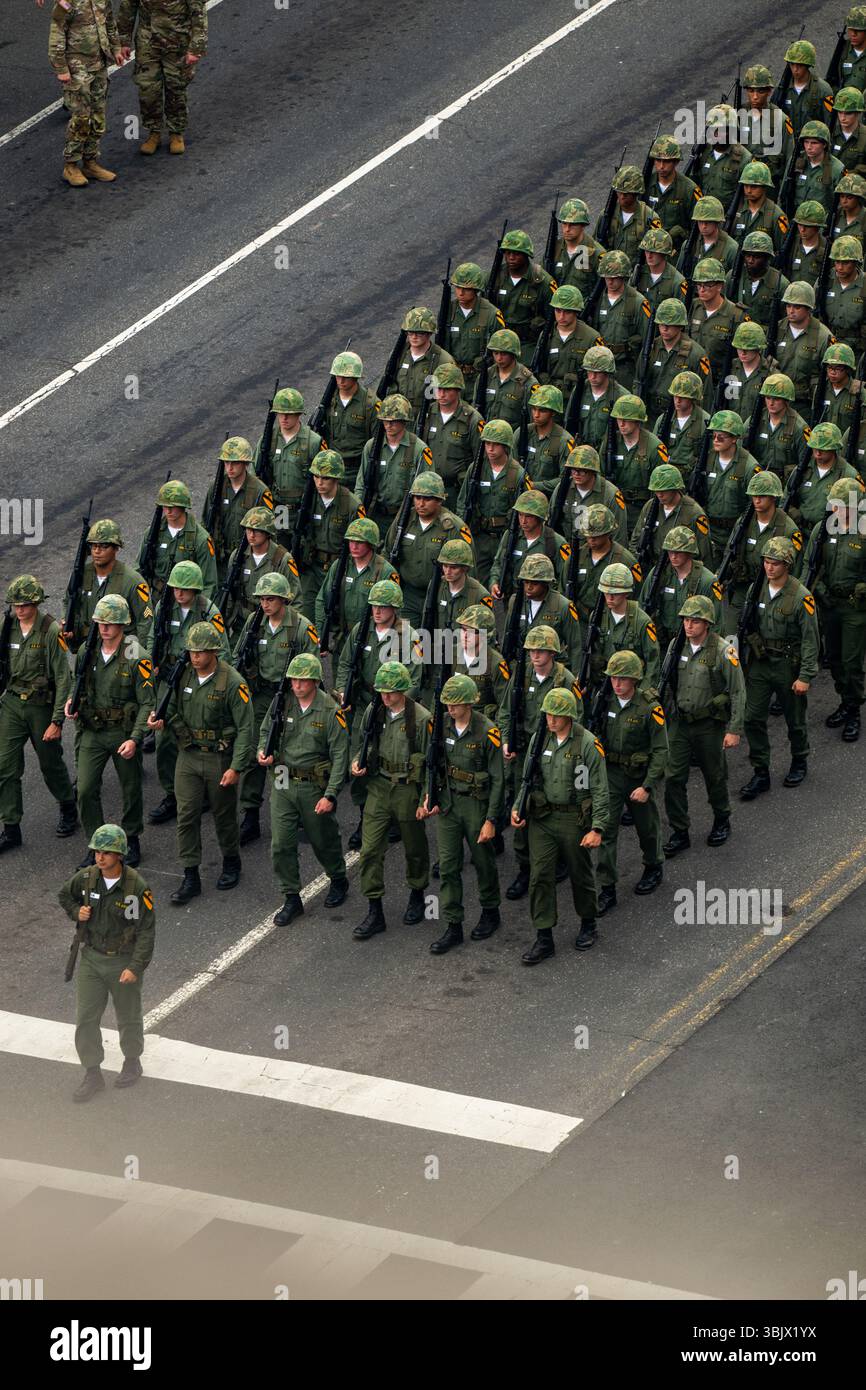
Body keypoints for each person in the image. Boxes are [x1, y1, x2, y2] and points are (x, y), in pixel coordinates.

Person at [148, 622, 254, 903]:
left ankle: (231, 860)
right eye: (192, 651)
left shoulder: (233, 682)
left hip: (219, 758)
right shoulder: (183, 675)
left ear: (214, 652)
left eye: (201, 652)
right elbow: (169, 708)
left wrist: (236, 767)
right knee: (186, 815)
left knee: (224, 816)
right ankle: (190, 874)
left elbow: (246, 728)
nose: (195, 657)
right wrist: (162, 721)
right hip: (189, 755)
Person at [510, 686, 608, 966]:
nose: (551, 720)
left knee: (580, 873)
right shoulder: (539, 739)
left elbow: (600, 788)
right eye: (548, 714)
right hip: (543, 818)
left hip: (573, 818)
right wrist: (518, 807)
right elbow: (527, 779)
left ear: (569, 716)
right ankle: (544, 937)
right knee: (540, 875)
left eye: (557, 715)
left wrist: (597, 828)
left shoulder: (587, 744)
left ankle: (588, 923)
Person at [58, 824, 155, 1102]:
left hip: (122, 960)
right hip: (91, 958)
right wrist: (77, 911)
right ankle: (92, 1073)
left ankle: (132, 1061)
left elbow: (146, 931)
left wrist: (135, 967)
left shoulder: (135, 888)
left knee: (128, 1015)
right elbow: (64, 895)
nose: (100, 857)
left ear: (120, 855)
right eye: (97, 851)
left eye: (107, 852)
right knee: (86, 1019)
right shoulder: (87, 878)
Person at [256, 653, 349, 927]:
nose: (296, 685)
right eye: (293, 680)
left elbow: (340, 755)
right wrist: (262, 751)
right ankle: (291, 896)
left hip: (313, 784)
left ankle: (338, 877)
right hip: (282, 779)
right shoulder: (282, 703)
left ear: (316, 681)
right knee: (281, 843)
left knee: (323, 838)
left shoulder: (330, 710)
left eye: (303, 680)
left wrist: (330, 794)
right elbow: (265, 731)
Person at [66, 595, 154, 869]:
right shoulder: (87, 650)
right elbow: (77, 682)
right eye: (100, 622)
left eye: (110, 623)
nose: (104, 628)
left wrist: (135, 738)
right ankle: (98, 843)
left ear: (122, 625)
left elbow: (147, 703)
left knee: (130, 787)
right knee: (85, 789)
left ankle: (131, 838)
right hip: (93, 731)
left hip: (122, 732)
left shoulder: (136, 654)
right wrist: (71, 702)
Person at [419, 673, 504, 955]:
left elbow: (498, 779)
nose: (450, 709)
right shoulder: (440, 726)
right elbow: (432, 765)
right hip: (449, 804)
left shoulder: (487, 731)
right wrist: (429, 795)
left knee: (483, 862)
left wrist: (492, 820)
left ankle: (490, 910)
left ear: (469, 703)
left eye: (455, 704)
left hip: (476, 805)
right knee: (448, 866)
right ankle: (453, 924)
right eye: (447, 704)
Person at [233, 572, 319, 846]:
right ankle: (250, 813)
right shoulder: (254, 622)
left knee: (292, 754)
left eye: (270, 599)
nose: (265, 604)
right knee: (256, 752)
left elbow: (312, 669)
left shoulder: (301, 628)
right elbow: (237, 656)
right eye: (262, 599)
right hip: (261, 696)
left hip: (292, 696)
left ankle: (298, 813)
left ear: (283, 599)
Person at [145, 559, 229, 827]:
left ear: (195, 589)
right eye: (175, 587)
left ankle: (204, 791)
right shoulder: (164, 606)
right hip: (169, 678)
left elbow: (222, 650)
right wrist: (152, 661)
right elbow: (153, 636)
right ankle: (172, 794)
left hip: (198, 677)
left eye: (184, 588)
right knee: (164, 737)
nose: (179, 593)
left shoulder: (208, 612)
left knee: (199, 735)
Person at [351, 662, 431, 940]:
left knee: (414, 847)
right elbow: (363, 743)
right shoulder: (374, 711)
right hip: (379, 785)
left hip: (408, 789)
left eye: (391, 691)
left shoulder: (421, 719)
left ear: (403, 690)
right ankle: (375, 910)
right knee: (369, 850)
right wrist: (357, 762)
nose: (385, 696)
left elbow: (432, 763)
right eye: (382, 691)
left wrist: (426, 798)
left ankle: (417, 893)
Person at [662, 595, 745, 856]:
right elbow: (665, 682)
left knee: (714, 775)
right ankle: (680, 830)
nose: (689, 625)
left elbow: (738, 691)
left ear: (707, 623)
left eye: (695, 621)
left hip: (708, 725)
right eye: (686, 620)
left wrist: (734, 730)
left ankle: (722, 818)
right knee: (673, 777)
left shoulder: (723, 650)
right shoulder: (676, 646)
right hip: (680, 723)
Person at [0, 575, 77, 852]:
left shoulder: (50, 630)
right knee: (5, 767)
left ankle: (68, 806)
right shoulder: (7, 627)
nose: (19, 610)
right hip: (12, 702)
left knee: (50, 762)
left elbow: (63, 678)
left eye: (25, 605)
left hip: (40, 706)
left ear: (36, 604)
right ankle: (11, 828)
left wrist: (57, 721)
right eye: (15, 605)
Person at [739, 537, 820, 800]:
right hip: (761, 663)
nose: (769, 567)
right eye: (766, 561)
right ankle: (761, 771)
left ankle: (799, 759)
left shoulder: (801, 597)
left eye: (775, 563)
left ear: (787, 564)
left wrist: (805, 676)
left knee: (794, 719)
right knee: (752, 718)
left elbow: (810, 640)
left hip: (788, 664)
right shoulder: (756, 590)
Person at [595, 650, 667, 915]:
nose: (617, 683)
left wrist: (647, 786)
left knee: (646, 827)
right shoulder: (604, 702)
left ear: (635, 679)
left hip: (638, 775)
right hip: (612, 774)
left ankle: (653, 865)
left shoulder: (649, 707)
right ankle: (607, 887)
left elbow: (661, 750)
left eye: (623, 678)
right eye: (613, 678)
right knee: (605, 830)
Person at [803, 477, 866, 742]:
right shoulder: (823, 530)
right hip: (829, 604)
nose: (839, 509)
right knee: (834, 658)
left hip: (855, 608)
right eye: (835, 504)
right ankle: (845, 700)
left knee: (852, 662)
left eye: (844, 504)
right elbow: (810, 565)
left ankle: (854, 711)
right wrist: (817, 590)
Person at [49, 0, 125, 186]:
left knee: (98, 116)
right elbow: (57, 31)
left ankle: (90, 162)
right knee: (81, 117)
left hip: (99, 63)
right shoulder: (66, 3)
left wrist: (116, 48)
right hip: (77, 66)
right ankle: (71, 166)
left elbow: (109, 22)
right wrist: (60, 67)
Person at [117, 0, 207, 156]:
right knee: (148, 89)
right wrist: (124, 40)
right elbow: (128, 6)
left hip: (177, 41)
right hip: (148, 42)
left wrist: (196, 47)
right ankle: (154, 132)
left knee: (175, 87)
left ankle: (176, 132)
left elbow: (198, 11)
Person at [62, 518, 153, 654]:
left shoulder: (132, 581)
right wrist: (68, 623)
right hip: (88, 650)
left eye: (104, 546)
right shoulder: (80, 576)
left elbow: (145, 621)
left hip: (121, 651)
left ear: (116, 548)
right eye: (93, 546)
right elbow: (68, 600)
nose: (97, 551)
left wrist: (137, 655)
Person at [201, 437, 272, 582]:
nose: (230, 467)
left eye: (235, 463)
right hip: (220, 559)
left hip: (247, 558)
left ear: (245, 463)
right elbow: (205, 522)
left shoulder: (260, 491)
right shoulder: (216, 488)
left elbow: (269, 530)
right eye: (227, 462)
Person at [136, 479, 217, 601]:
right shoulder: (152, 534)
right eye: (165, 506)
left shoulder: (200, 539)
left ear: (183, 506)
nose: (168, 511)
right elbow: (139, 569)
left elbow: (209, 583)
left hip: (187, 601)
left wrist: (199, 609)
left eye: (173, 506)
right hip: (157, 599)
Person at [321, 350, 380, 491]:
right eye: (338, 376)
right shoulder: (329, 401)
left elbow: (377, 441)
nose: (341, 381)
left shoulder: (371, 404)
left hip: (358, 470)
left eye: (346, 377)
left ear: (355, 377)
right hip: (332, 467)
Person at [379, 307, 456, 416]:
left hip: (427, 416)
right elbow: (390, 384)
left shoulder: (443, 360)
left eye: (419, 333)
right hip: (399, 415)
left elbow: (450, 396)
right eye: (410, 332)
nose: (414, 337)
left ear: (429, 333)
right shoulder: (398, 355)